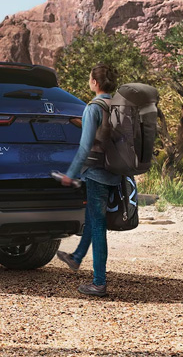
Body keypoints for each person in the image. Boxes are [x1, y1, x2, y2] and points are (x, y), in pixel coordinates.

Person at [56, 64, 122, 297]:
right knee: (93, 218)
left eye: (89, 78)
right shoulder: (118, 106)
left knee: (98, 226)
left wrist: (70, 174)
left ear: (95, 82)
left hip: (96, 172)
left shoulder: (93, 108)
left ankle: (99, 283)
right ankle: (76, 257)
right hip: (115, 171)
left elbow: (85, 147)